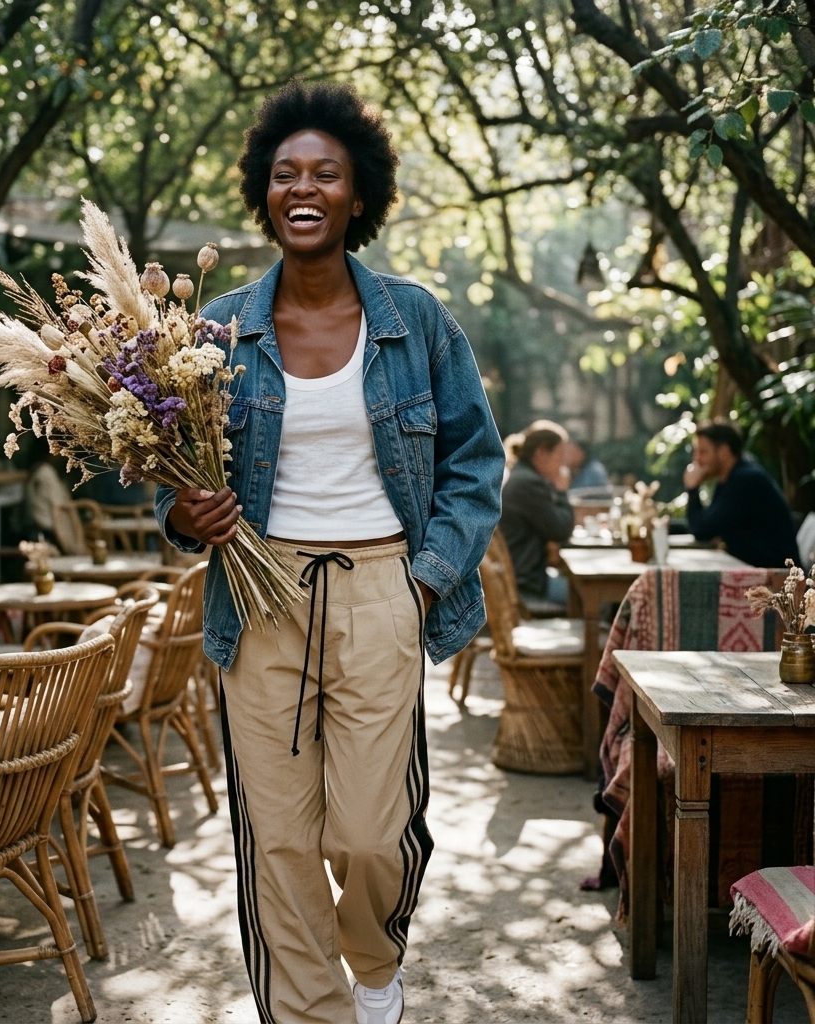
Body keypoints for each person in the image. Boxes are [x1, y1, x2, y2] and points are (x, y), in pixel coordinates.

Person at [154, 81, 504, 1024]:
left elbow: (477, 460)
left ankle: (376, 961)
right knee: (279, 842)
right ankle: (315, 1015)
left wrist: (426, 582)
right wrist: (189, 511)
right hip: (257, 597)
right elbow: (166, 472)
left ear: (359, 195)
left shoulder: (415, 319)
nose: (302, 189)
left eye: (325, 174)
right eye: (284, 174)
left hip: (385, 588)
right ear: (263, 194)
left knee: (368, 836)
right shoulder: (218, 330)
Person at [684, 420, 799, 567]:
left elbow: (703, 531)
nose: (697, 459)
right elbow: (708, 521)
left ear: (724, 452)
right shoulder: (733, 477)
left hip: (778, 578)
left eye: (703, 452)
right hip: (755, 570)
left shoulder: (745, 480)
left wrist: (692, 489)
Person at [500, 421, 574, 606]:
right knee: (598, 599)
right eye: (559, 455)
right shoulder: (527, 483)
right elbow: (561, 530)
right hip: (527, 586)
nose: (563, 463)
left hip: (525, 578)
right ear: (542, 452)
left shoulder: (522, 476)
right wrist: (561, 491)